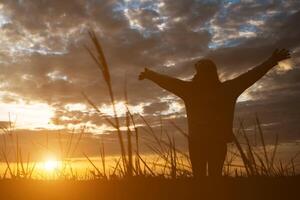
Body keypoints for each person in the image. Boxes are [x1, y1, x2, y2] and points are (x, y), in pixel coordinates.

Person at [139, 49, 290, 177]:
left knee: (204, 179)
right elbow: (250, 76)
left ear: (201, 74)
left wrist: (151, 75)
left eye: (200, 72)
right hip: (211, 142)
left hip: (204, 142)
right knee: (211, 178)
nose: (199, 75)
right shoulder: (225, 90)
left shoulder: (193, 91)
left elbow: (170, 83)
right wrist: (271, 61)